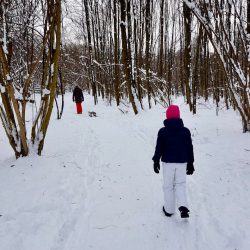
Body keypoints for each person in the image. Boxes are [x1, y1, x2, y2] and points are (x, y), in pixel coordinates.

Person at [152, 105, 194, 218]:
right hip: (181, 163)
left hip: (168, 163)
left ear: (167, 116)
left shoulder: (163, 131)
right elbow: (189, 147)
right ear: (179, 116)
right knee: (180, 184)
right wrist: (190, 163)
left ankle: (169, 210)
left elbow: (159, 148)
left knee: (168, 186)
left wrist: (156, 160)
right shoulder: (185, 131)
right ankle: (183, 207)